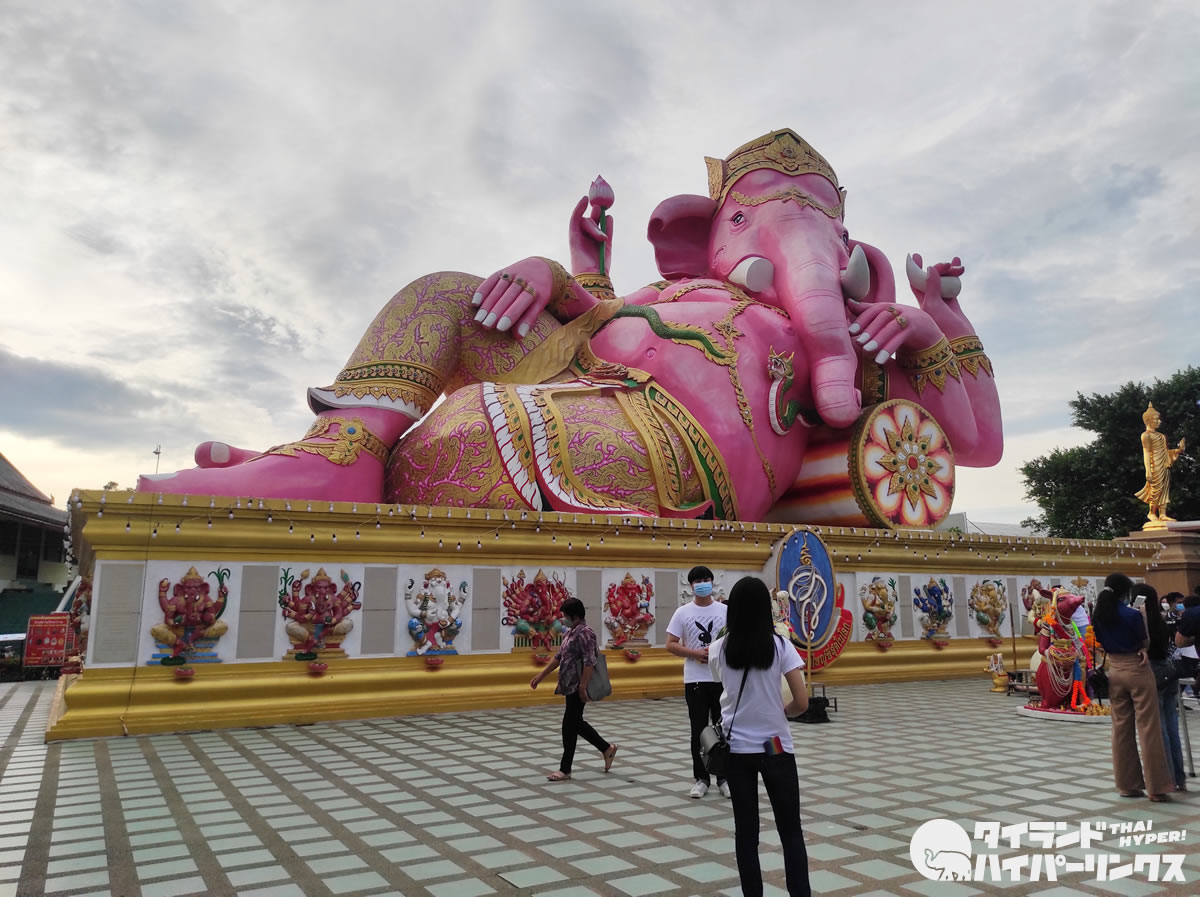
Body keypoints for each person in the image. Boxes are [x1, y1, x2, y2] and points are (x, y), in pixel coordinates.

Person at [709, 576, 811, 897]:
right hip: (774, 743)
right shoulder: (782, 646)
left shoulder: (718, 649)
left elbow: (722, 684)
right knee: (790, 831)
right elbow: (802, 701)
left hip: (737, 746)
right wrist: (781, 712)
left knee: (747, 833)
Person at [1092, 573, 1173, 801]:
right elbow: (1144, 643)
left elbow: (1100, 642)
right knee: (1148, 727)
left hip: (1115, 671)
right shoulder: (1132, 615)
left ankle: (1127, 785)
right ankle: (1157, 787)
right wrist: (1144, 619)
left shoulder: (1098, 615)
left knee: (1120, 728)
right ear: (1124, 592)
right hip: (1137, 668)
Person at [530, 598, 618, 782]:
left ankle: (565, 768)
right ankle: (606, 748)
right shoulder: (570, 633)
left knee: (569, 724)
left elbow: (589, 662)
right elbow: (559, 657)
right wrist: (541, 676)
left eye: (565, 616)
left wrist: (583, 687)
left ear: (574, 616)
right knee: (574, 723)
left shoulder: (586, 633)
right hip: (568, 684)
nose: (563, 619)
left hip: (578, 684)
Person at [666, 565, 730, 798]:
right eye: (698, 580)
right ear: (691, 585)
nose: (703, 583)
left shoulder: (724, 610)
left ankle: (724, 777)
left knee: (724, 728)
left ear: (712, 582)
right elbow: (671, 643)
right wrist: (696, 654)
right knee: (698, 730)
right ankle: (701, 778)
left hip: (722, 678)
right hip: (695, 679)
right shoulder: (683, 613)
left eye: (706, 579)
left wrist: (716, 654)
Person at [1136, 584, 1186, 792]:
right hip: (1169, 671)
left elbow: (1145, 645)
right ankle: (1179, 778)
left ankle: (1166, 778)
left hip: (1153, 673)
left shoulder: (1142, 621)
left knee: (1160, 729)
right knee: (1172, 727)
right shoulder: (1163, 620)